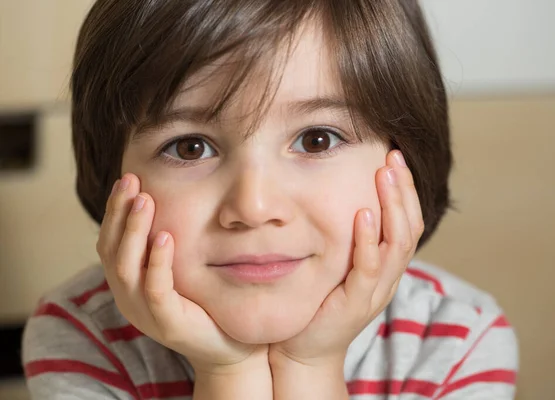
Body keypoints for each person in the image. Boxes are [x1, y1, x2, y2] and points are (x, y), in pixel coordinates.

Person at [22, 0, 518, 398]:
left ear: (405, 163)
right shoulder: (82, 336)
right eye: (190, 147)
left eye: (317, 139)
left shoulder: (456, 341)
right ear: (113, 179)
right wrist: (228, 373)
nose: (255, 207)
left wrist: (311, 368)